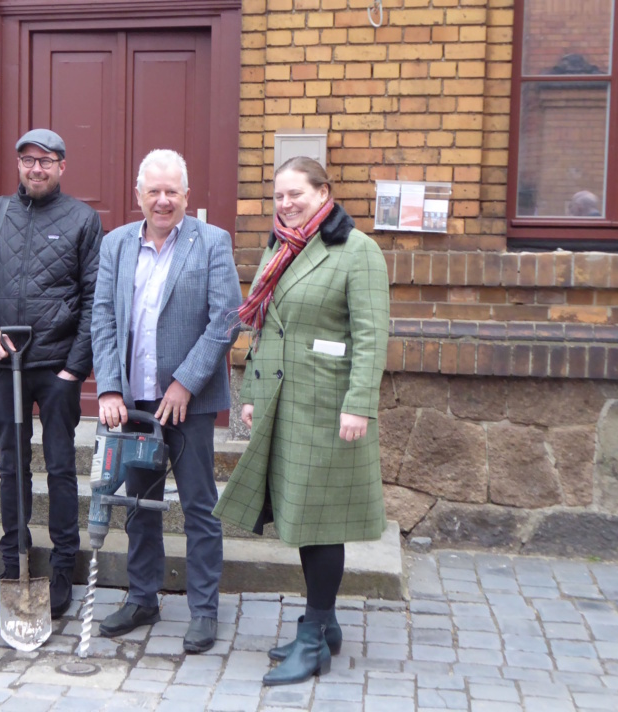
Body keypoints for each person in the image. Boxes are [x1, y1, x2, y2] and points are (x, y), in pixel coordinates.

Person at [214, 156, 389, 685]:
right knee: (300, 517)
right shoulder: (281, 246)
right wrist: (252, 392)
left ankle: (313, 639)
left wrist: (359, 404)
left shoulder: (358, 252)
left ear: (324, 192)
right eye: (279, 196)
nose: (286, 204)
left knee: (319, 522)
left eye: (296, 194)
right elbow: (266, 328)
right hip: (285, 405)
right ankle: (326, 621)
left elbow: (372, 336)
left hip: (329, 410)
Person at [91, 149, 242, 654]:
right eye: (153, 191)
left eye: (171, 191)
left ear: (186, 196)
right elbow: (104, 319)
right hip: (134, 401)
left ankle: (203, 610)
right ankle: (142, 597)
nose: (162, 201)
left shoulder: (212, 242)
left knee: (200, 507)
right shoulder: (115, 245)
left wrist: (185, 383)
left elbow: (225, 321)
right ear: (138, 195)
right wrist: (110, 386)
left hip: (188, 404)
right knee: (139, 505)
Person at [0, 128, 103, 619]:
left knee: (60, 469)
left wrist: (72, 369)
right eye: (27, 160)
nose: (36, 168)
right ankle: (13, 564)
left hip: (54, 369)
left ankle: (62, 570)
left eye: (46, 160)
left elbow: (95, 300)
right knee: (10, 468)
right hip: (2, 365)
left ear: (62, 166)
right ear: (18, 165)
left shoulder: (82, 220)